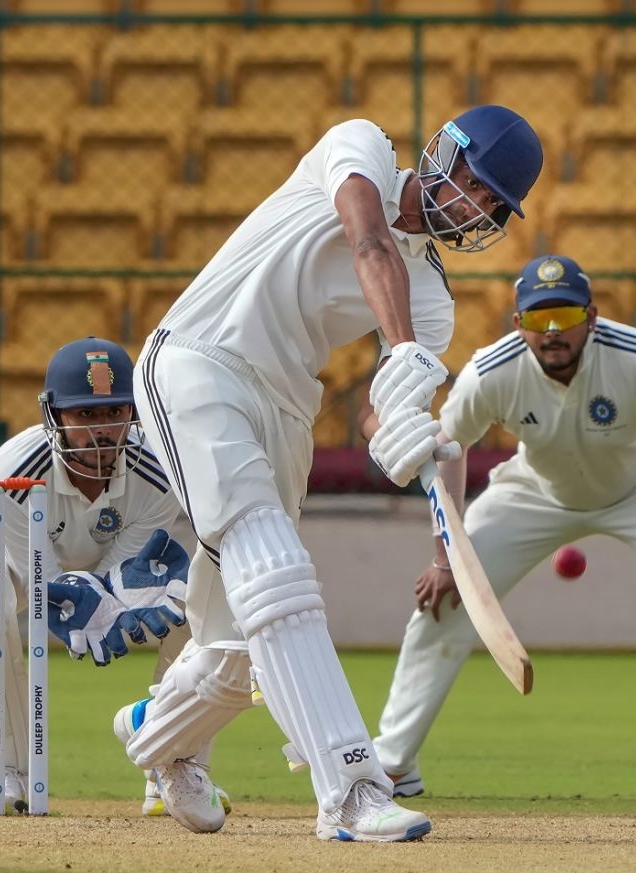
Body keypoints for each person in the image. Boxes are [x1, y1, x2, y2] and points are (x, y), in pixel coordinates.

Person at [115, 105, 544, 841]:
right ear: (446, 150)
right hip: (196, 359)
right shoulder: (363, 145)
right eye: (479, 187)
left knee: (245, 639)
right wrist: (405, 355)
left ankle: (161, 734)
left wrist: (401, 433)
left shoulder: (433, 303)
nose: (478, 210)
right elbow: (368, 239)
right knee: (278, 576)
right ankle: (351, 789)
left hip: (282, 409)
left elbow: (387, 408)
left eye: (494, 208)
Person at [371, 255, 636, 804]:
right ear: (518, 323)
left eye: (566, 315)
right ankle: (394, 761)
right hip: (537, 490)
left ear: (592, 316)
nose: (553, 332)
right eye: (539, 319)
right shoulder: (491, 370)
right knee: (447, 598)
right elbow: (448, 450)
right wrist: (444, 555)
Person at [0, 337, 212, 816]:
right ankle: (3, 771)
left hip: (98, 565)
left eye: (115, 413)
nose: (103, 431)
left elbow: (121, 580)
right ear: (54, 416)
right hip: (4, 545)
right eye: (86, 416)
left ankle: (172, 762)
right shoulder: (13, 472)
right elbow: (44, 590)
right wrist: (83, 611)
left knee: (199, 603)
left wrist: (116, 605)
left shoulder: (157, 473)